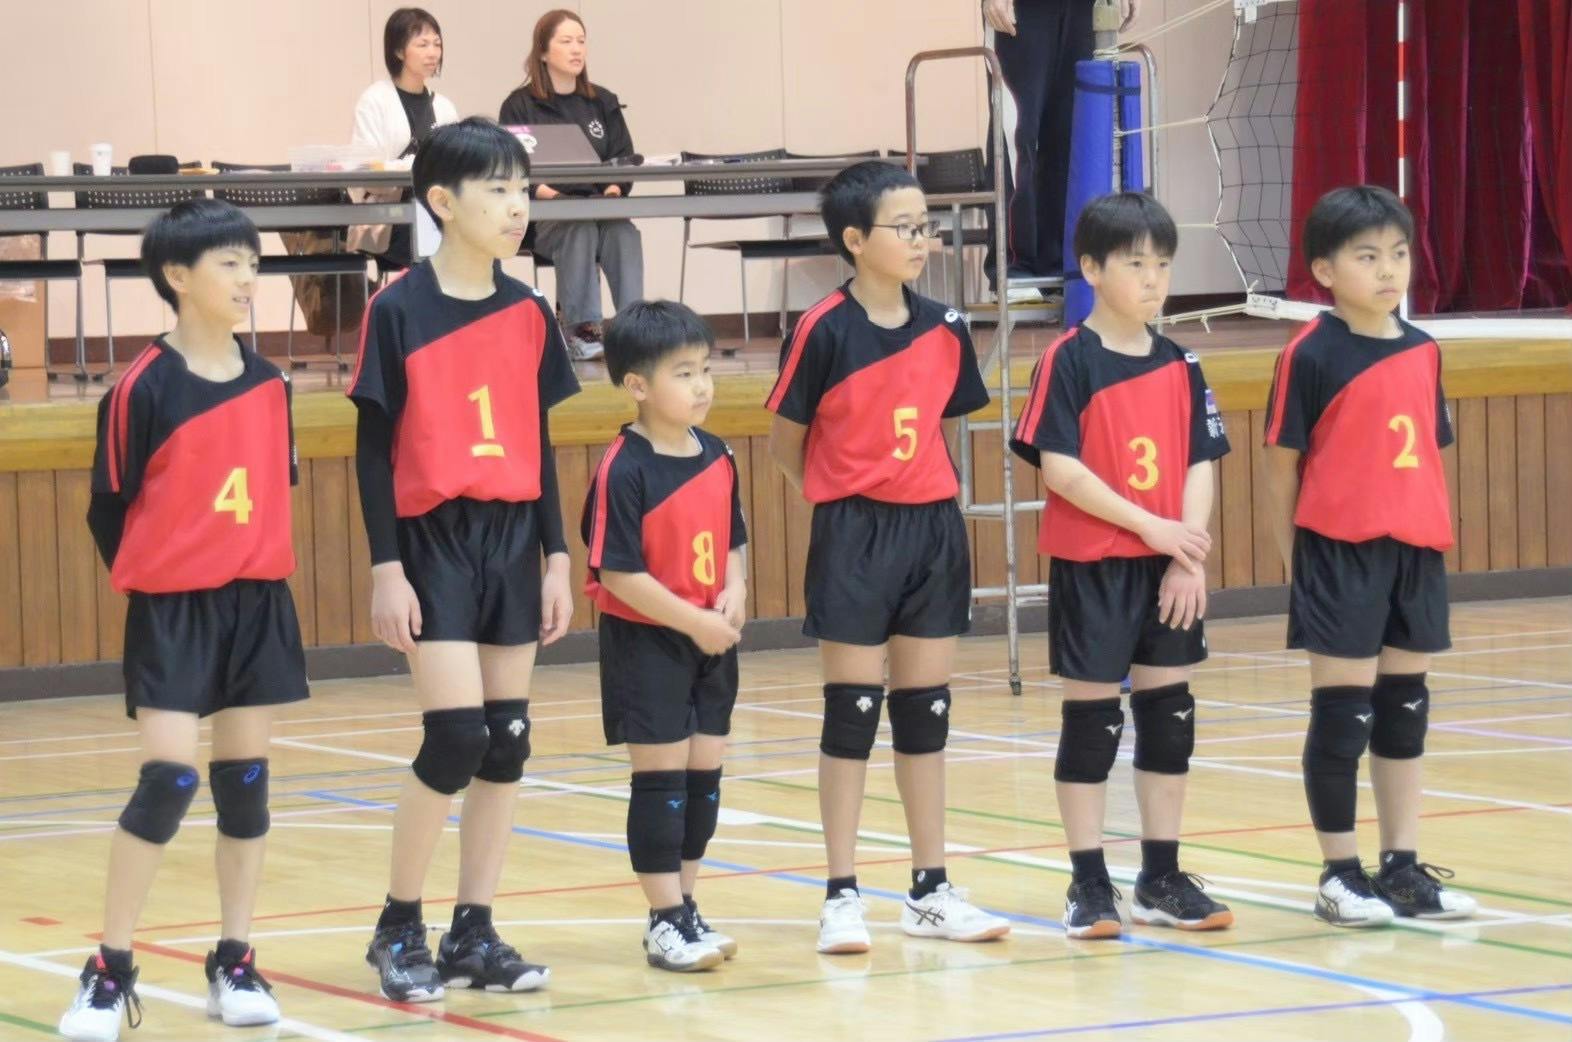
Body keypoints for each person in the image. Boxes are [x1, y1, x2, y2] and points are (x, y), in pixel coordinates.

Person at [60, 199, 308, 1041]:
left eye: (252, 263)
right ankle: (109, 970)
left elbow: (272, 488)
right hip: (173, 609)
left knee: (245, 787)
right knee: (167, 781)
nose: (247, 279)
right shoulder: (141, 387)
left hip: (257, 602)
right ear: (176, 275)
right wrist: (162, 582)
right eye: (229, 264)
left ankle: (234, 959)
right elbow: (108, 506)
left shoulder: (271, 383)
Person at [347, 117, 579, 1000]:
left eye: (522, 189)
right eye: (498, 190)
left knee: (506, 741)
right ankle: (398, 925)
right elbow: (374, 448)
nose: (518, 206)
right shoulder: (398, 308)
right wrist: (386, 565)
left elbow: (539, 440)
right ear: (443, 201)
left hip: (513, 536)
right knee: (455, 737)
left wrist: (557, 556)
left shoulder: (530, 311)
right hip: (434, 540)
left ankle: (472, 931)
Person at [766, 161, 1011, 953]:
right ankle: (841, 894)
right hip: (854, 532)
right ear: (854, 239)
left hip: (932, 530)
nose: (920, 239)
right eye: (903, 227)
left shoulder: (946, 325)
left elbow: (946, 422)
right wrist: (845, 498)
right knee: (852, 712)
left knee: (924, 712)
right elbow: (785, 445)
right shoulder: (824, 329)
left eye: (924, 226)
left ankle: (930, 889)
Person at [1010, 192, 1233, 939]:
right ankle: (1088, 883)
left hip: (1167, 569)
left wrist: (1187, 553)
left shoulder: (1182, 363)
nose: (1153, 279)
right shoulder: (1068, 360)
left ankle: (1160, 877)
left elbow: (1201, 462)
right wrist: (1151, 527)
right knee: (1093, 723)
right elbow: (1061, 469)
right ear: (1092, 269)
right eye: (1136, 264)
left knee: (1169, 720)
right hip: (1098, 564)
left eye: (1163, 264)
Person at [1263, 185, 1477, 927]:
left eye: (1399, 253)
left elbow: (1427, 452)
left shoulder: (1423, 348)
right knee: (1342, 716)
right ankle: (1339, 873)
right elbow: (1281, 469)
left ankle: (1402, 867)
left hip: (1414, 551)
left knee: (1404, 711)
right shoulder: (1310, 353)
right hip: (1338, 554)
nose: (1389, 270)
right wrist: (1297, 564)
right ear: (1325, 270)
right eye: (1367, 256)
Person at [581, 300, 747, 972]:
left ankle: (687, 904)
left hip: (711, 641)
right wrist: (693, 620)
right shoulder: (624, 467)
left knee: (704, 778)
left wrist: (735, 590)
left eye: (705, 369)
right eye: (684, 373)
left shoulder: (718, 453)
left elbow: (733, 539)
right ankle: (663, 919)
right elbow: (617, 572)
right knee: (662, 783)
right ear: (637, 385)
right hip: (649, 643)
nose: (702, 385)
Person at [499, 8, 643, 361]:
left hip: (600, 210)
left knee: (624, 232)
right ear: (543, 51)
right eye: (566, 41)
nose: (576, 49)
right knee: (578, 226)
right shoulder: (520, 105)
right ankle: (582, 329)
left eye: (581, 41)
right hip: (547, 217)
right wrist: (553, 196)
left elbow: (623, 158)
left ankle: (634, 328)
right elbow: (512, 168)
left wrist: (612, 192)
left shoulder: (603, 101)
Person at [982, 0, 1138, 304]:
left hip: (1083, 8)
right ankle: (1014, 268)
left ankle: (1059, 265)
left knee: (1072, 137)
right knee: (1019, 134)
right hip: (1022, 10)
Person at [352, 7, 458, 266]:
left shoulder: (444, 106)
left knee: (478, 234)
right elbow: (368, 174)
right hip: (391, 217)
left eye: (437, 44)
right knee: (434, 234)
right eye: (422, 44)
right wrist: (414, 167)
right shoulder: (375, 100)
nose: (433, 52)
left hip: (439, 210)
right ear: (399, 51)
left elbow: (458, 165)